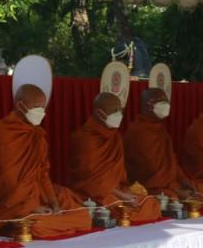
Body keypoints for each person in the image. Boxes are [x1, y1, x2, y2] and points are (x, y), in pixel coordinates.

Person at [0, 84, 94, 238]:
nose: (41, 112)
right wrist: (33, 207)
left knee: (83, 216)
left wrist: (54, 204)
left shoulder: (37, 135)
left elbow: (42, 173)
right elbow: (7, 182)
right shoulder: (2, 132)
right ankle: (34, 224)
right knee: (36, 226)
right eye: (37, 107)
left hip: (37, 198)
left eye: (43, 107)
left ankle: (53, 223)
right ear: (20, 105)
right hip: (11, 205)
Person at [67, 92, 163, 222]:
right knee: (120, 209)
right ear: (100, 113)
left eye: (120, 110)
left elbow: (119, 175)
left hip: (116, 191)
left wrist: (125, 191)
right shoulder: (85, 138)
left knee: (151, 203)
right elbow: (91, 182)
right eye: (114, 111)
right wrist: (121, 195)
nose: (119, 115)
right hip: (95, 193)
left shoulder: (115, 136)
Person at [124, 88, 202, 201]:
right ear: (149, 105)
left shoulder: (160, 129)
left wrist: (183, 180)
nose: (166, 105)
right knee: (172, 198)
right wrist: (177, 190)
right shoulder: (138, 132)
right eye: (162, 102)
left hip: (168, 184)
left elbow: (171, 161)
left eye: (167, 101)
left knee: (200, 192)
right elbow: (150, 170)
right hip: (149, 186)